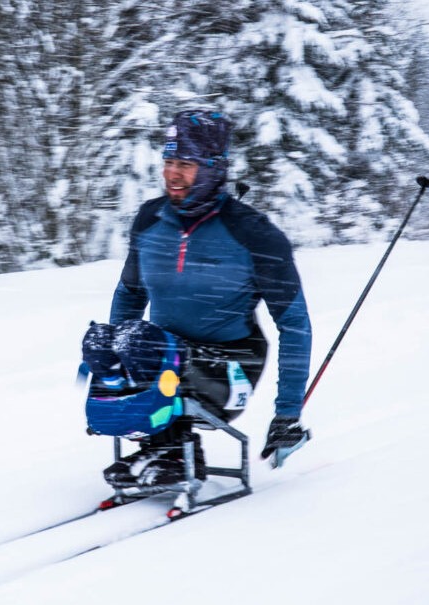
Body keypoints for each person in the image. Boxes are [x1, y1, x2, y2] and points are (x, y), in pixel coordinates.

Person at [82, 109, 312, 487]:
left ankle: (175, 453)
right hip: (165, 354)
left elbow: (295, 324)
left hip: (231, 366)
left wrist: (287, 413)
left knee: (140, 344)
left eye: (186, 164)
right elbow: (129, 294)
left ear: (214, 168)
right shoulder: (150, 221)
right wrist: (114, 360)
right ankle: (157, 443)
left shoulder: (254, 234)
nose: (173, 173)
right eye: (168, 161)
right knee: (102, 340)